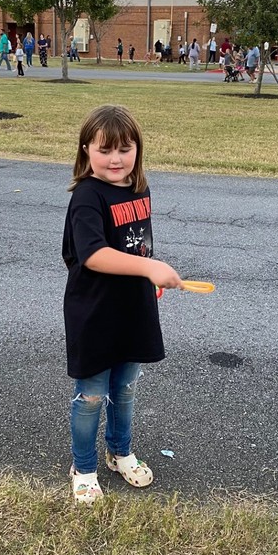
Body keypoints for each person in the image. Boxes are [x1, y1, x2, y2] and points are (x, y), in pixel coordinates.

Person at [62, 104, 183, 504]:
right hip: (95, 313)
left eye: (125, 149)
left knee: (126, 388)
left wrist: (150, 279)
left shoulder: (138, 189)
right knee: (92, 394)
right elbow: (93, 254)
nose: (115, 159)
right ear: (86, 151)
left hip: (133, 309)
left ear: (138, 150)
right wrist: (149, 267)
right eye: (104, 150)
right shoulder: (86, 196)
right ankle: (83, 466)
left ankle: (120, 451)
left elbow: (138, 242)